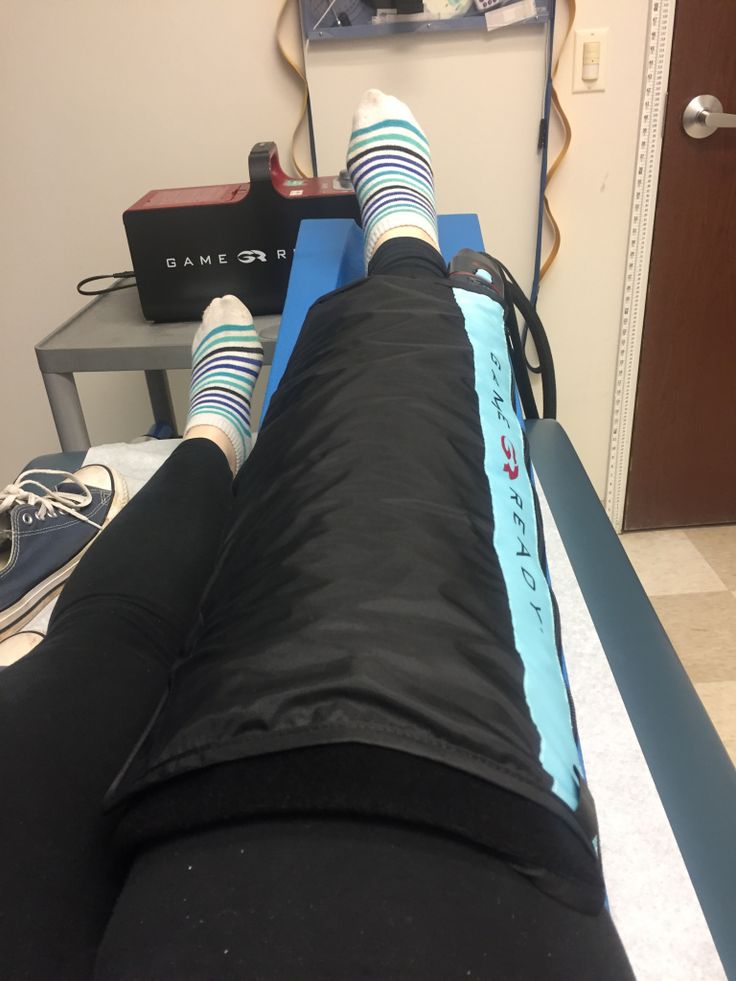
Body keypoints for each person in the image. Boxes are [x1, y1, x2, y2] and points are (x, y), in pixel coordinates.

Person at [0, 91, 634, 980]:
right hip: (444, 823)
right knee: (370, 514)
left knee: (100, 651)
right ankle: (404, 251)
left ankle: (216, 429)